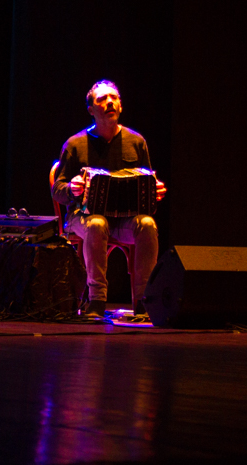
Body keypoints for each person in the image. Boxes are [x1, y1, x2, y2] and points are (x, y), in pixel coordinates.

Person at [51, 80, 167, 317]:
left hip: (125, 220)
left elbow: (148, 183)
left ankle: (145, 303)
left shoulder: (136, 142)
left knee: (147, 224)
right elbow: (58, 189)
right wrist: (72, 188)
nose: (109, 102)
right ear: (91, 110)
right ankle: (96, 301)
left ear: (121, 106)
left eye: (113, 98)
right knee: (97, 223)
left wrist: (155, 192)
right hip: (82, 217)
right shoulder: (75, 144)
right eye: (101, 99)